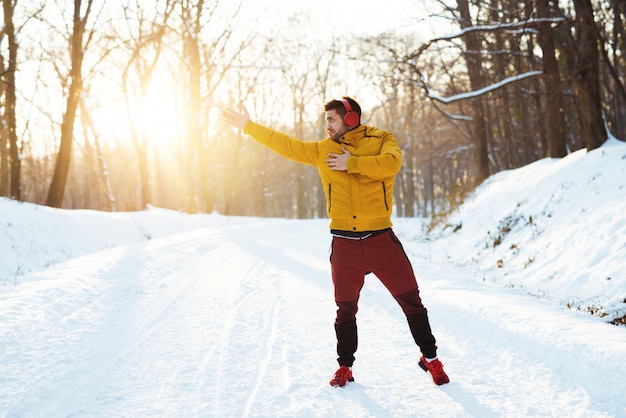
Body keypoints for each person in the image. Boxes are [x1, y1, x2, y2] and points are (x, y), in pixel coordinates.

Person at [222, 97, 449, 387]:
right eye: (326, 120)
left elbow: (391, 164)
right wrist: (249, 127)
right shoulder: (322, 150)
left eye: (331, 119)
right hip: (345, 243)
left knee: (411, 300)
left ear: (350, 118)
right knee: (345, 308)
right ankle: (345, 367)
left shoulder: (381, 140)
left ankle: (430, 359)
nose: (326, 125)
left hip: (380, 238)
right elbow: (287, 145)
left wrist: (351, 163)